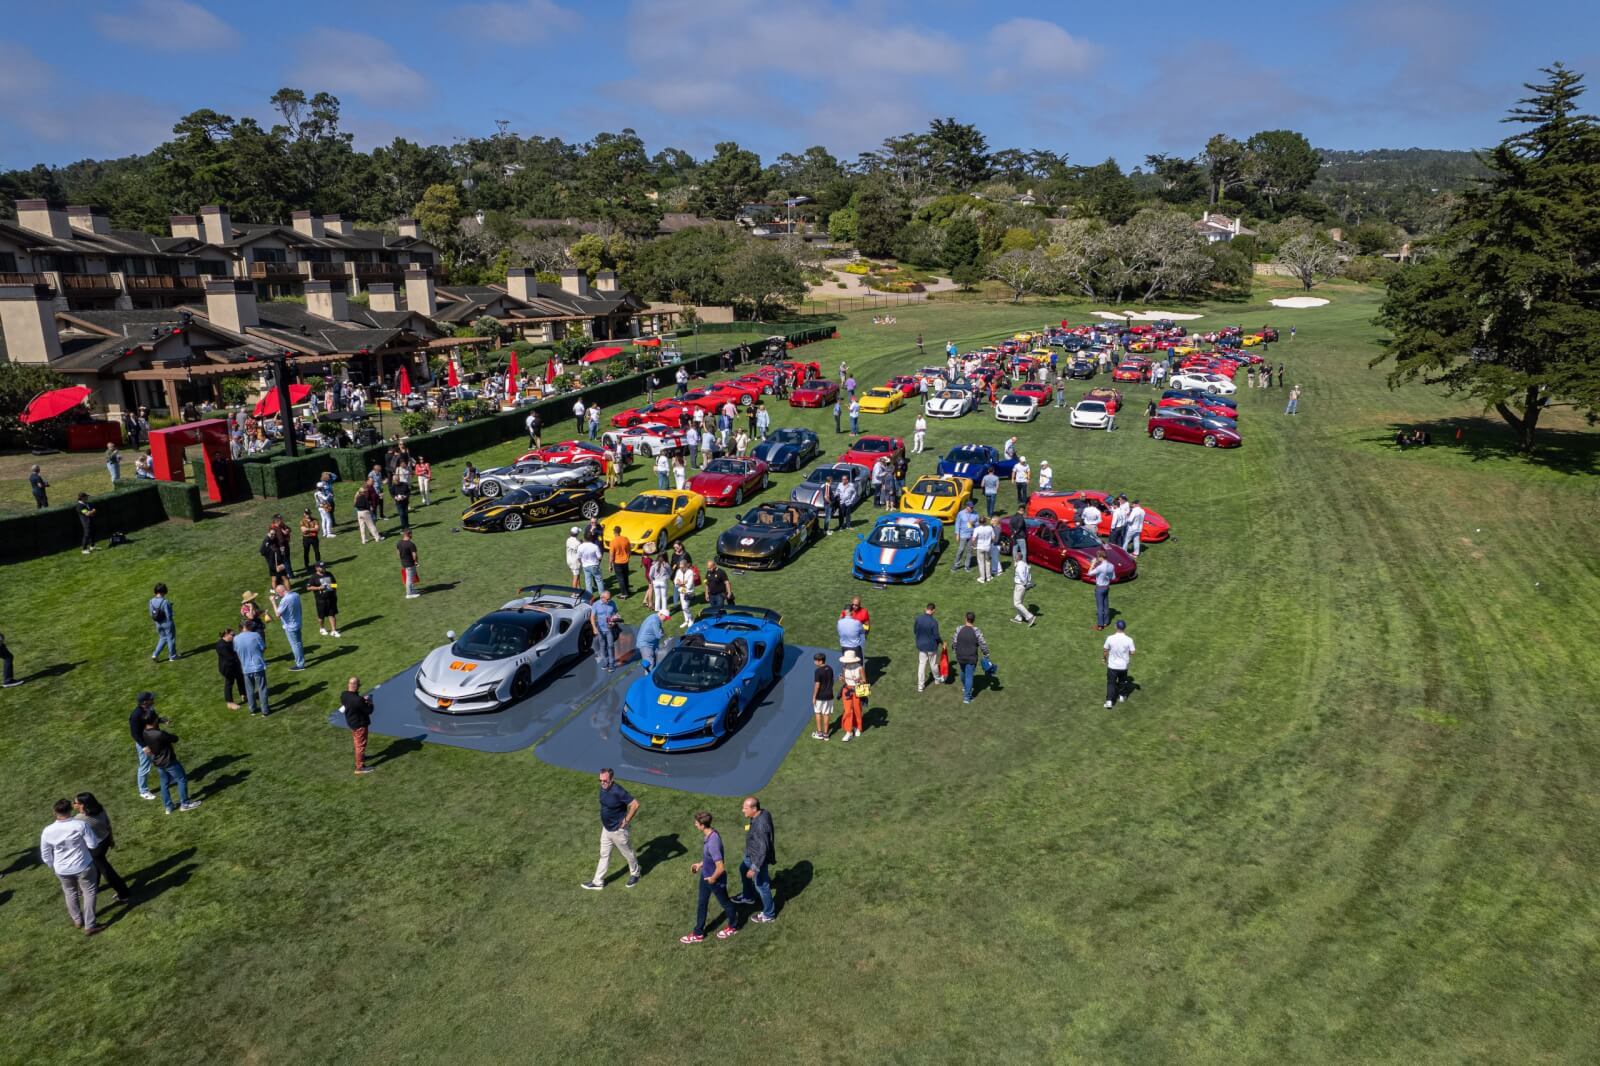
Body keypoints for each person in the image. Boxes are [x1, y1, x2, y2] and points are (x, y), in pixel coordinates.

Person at [41, 799, 103, 935]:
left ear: (54, 812)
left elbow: (45, 854)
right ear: (70, 810)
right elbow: (92, 844)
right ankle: (90, 925)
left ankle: (77, 920)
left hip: (62, 870)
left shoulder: (47, 831)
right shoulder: (80, 825)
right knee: (89, 893)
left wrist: (54, 866)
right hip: (83, 866)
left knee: (70, 893)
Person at [681, 810, 738, 943]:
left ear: (702, 825)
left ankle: (733, 926)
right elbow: (710, 858)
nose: (695, 824)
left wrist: (712, 879)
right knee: (702, 904)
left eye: (696, 823)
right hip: (705, 876)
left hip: (714, 880)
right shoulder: (710, 834)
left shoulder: (713, 841)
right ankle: (698, 933)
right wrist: (700, 864)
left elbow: (720, 867)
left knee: (726, 904)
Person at [581, 768, 641, 890]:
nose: (602, 783)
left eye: (605, 781)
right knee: (604, 855)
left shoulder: (618, 791)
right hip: (606, 829)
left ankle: (635, 873)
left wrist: (626, 820)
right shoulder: (603, 788)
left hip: (618, 831)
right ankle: (598, 882)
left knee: (628, 854)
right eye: (600, 780)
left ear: (612, 779)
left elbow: (635, 804)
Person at [73, 793, 130, 904]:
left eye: (75, 803)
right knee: (97, 866)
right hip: (105, 841)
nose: (73, 804)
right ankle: (91, 887)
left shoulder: (79, 819)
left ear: (83, 805)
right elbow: (108, 825)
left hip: (95, 848)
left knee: (106, 870)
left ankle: (123, 893)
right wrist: (111, 840)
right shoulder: (99, 809)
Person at [142, 716, 199, 814]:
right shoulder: (159, 734)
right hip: (169, 761)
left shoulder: (144, 732)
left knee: (164, 784)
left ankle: (168, 807)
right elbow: (175, 738)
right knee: (182, 779)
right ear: (154, 721)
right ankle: (185, 804)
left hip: (158, 762)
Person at [951, 612, 989, 705]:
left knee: (963, 672)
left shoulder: (959, 629)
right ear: (973, 620)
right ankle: (967, 697)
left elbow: (954, 642)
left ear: (966, 618)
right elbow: (983, 644)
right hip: (971, 657)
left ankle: (965, 687)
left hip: (960, 656)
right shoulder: (977, 631)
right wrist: (986, 653)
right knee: (969, 676)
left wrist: (955, 652)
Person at [129, 691, 161, 799]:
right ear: (145, 702)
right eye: (151, 699)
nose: (153, 700)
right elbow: (134, 734)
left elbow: (152, 720)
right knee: (145, 766)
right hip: (145, 743)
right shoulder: (136, 715)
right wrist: (144, 746)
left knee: (160, 758)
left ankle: (167, 777)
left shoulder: (149, 708)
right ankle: (143, 791)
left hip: (154, 738)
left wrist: (162, 720)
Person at [271, 577, 306, 670]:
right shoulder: (295, 594)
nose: (278, 595)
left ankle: (300, 664)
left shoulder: (285, 600)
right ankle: (301, 661)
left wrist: (273, 602)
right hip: (298, 622)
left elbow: (277, 614)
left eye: (278, 593)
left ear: (281, 592)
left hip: (291, 626)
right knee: (298, 643)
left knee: (295, 645)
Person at [234, 624, 269, 716]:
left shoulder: (236, 639)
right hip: (258, 666)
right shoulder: (256, 635)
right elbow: (263, 648)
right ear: (248, 627)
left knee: (249, 690)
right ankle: (265, 711)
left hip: (246, 668)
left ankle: (252, 709)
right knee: (262, 688)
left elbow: (237, 652)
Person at [1103, 619, 1135, 709]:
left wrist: (1104, 658)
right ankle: (1121, 696)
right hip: (1123, 666)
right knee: (1122, 681)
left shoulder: (1110, 638)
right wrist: (1125, 654)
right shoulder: (1129, 640)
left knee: (1111, 683)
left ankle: (1109, 701)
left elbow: (1105, 650)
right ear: (1124, 628)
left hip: (1112, 666)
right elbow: (1132, 652)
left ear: (1116, 627)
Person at [913, 603, 943, 691]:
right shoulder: (934, 622)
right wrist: (941, 642)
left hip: (921, 646)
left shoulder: (918, 619)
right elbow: (936, 636)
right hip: (931, 646)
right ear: (933, 610)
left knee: (922, 665)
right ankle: (937, 679)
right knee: (933, 664)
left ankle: (920, 686)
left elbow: (915, 630)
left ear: (925, 608)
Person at [838, 649, 865, 742]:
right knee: (847, 711)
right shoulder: (844, 667)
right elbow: (845, 680)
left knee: (857, 709)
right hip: (847, 690)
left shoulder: (860, 668)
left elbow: (864, 680)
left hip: (857, 689)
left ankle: (858, 727)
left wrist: (859, 681)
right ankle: (849, 731)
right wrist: (842, 679)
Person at [147, 583, 178, 662]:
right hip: (167, 623)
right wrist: (170, 607)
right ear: (164, 592)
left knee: (163, 638)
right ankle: (173, 656)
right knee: (170, 639)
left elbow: (151, 613)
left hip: (158, 623)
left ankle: (155, 654)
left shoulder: (151, 601)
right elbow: (169, 615)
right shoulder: (165, 602)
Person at [308, 563, 340, 637]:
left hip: (331, 598)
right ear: (317, 568)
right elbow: (308, 588)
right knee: (321, 616)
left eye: (324, 567)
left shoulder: (329, 574)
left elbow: (335, 584)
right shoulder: (313, 577)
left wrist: (330, 586)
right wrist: (319, 588)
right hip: (321, 600)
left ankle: (333, 630)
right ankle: (322, 628)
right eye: (322, 567)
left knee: (332, 614)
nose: (324, 569)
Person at [215, 628, 244, 710]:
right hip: (227, 668)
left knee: (240, 678)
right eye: (232, 635)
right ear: (226, 635)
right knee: (229, 683)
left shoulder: (230, 642)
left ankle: (243, 694)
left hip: (234, 665)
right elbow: (230, 657)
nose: (234, 636)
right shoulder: (221, 645)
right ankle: (229, 702)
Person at [592, 590, 620, 671]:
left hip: (609, 629)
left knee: (610, 646)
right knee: (602, 646)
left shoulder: (612, 603)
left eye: (610, 599)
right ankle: (605, 662)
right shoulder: (596, 604)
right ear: (602, 598)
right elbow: (592, 617)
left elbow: (616, 614)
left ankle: (611, 664)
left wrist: (614, 620)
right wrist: (594, 628)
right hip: (600, 629)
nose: (609, 601)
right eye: (607, 599)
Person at [1089, 549, 1115, 630]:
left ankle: (1100, 626)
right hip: (1107, 587)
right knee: (1106, 605)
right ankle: (1106, 622)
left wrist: (1092, 564)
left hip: (1099, 588)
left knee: (1100, 607)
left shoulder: (1100, 567)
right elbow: (1113, 577)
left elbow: (1089, 573)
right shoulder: (1111, 565)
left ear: (1100, 557)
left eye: (1098, 557)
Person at [811, 652, 834, 741]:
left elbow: (817, 685)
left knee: (818, 713)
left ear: (820, 661)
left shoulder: (818, 671)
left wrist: (814, 696)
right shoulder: (830, 669)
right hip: (829, 695)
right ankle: (826, 735)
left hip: (820, 696)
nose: (814, 662)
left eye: (816, 660)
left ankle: (819, 734)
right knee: (826, 714)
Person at [951, 500, 977, 572]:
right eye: (970, 507)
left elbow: (977, 524)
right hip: (963, 534)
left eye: (972, 507)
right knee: (961, 550)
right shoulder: (961, 513)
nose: (972, 509)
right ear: (967, 506)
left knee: (970, 551)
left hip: (971, 535)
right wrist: (957, 534)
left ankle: (967, 566)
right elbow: (957, 524)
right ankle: (956, 565)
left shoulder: (975, 513)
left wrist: (974, 523)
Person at [1012, 556, 1037, 626]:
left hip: (1020, 585)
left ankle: (1030, 617)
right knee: (1020, 602)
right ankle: (1019, 617)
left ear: (1017, 558)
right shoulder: (1024, 564)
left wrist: (1024, 583)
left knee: (1017, 604)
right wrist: (1028, 583)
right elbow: (1029, 574)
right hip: (1024, 586)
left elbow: (1022, 577)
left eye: (1015, 557)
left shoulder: (1019, 567)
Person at [609, 528, 632, 599]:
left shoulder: (613, 541)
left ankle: (624, 594)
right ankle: (627, 591)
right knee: (625, 577)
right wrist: (628, 557)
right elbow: (629, 550)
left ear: (614, 532)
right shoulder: (626, 539)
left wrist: (610, 565)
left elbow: (611, 555)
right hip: (625, 561)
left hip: (617, 562)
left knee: (620, 578)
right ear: (620, 531)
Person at [672, 558, 696, 626]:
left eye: (682, 567)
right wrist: (681, 583)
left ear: (686, 566)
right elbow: (675, 581)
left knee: (685, 607)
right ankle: (686, 620)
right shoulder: (678, 571)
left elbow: (689, 584)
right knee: (683, 607)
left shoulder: (690, 572)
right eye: (680, 567)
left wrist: (680, 583)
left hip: (688, 592)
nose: (681, 569)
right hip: (681, 591)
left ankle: (691, 619)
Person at [397, 530, 420, 599]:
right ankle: (409, 594)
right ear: (408, 534)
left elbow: (398, 553)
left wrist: (402, 559)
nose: (412, 535)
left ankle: (412, 590)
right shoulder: (411, 544)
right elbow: (414, 555)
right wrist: (416, 562)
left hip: (404, 562)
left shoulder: (399, 543)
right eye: (411, 534)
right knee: (409, 579)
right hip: (410, 563)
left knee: (411, 577)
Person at [973, 516, 995, 583]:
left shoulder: (977, 529)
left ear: (979, 522)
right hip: (987, 547)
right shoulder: (990, 528)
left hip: (980, 547)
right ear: (985, 521)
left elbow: (973, 539)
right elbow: (993, 538)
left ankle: (982, 578)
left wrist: (974, 545)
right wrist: (990, 542)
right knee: (988, 562)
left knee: (981, 563)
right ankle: (988, 577)